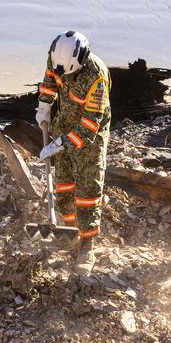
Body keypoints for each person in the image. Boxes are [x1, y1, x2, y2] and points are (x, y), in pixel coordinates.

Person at [36, 31, 111, 276]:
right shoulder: (58, 56)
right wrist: (44, 106)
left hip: (90, 136)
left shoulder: (96, 77)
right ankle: (69, 232)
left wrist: (61, 143)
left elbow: (91, 123)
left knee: (87, 191)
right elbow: (50, 78)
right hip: (63, 123)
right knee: (63, 186)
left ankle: (87, 245)